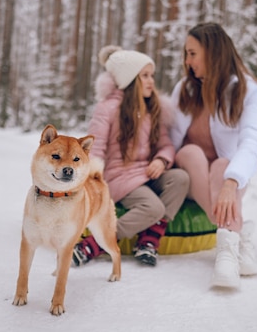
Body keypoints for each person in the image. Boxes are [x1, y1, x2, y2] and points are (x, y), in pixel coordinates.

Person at [170, 22, 257, 288]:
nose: (187, 61)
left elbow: (252, 141)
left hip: (228, 182)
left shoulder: (249, 92)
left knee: (224, 165)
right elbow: (167, 138)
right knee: (191, 151)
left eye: (193, 53)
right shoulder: (185, 89)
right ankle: (236, 239)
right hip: (190, 174)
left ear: (212, 52)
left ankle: (229, 248)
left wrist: (232, 180)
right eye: (186, 54)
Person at [72, 45, 190, 267]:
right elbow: (95, 149)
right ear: (130, 79)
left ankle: (148, 240)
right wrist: (93, 183)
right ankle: (97, 242)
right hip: (119, 176)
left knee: (180, 179)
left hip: (145, 173)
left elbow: (165, 144)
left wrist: (161, 160)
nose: (151, 81)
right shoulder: (107, 109)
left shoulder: (151, 109)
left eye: (151, 75)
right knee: (154, 207)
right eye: (145, 76)